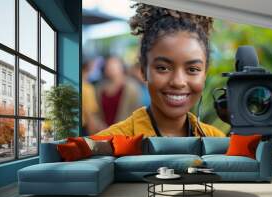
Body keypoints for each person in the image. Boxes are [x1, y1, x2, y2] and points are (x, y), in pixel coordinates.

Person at [96, 3, 225, 137]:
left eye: (192, 69)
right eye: (163, 68)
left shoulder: (217, 141)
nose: (178, 82)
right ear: (143, 70)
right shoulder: (106, 144)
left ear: (205, 73)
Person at [95, 56, 143, 130]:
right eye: (108, 65)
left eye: (114, 65)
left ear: (121, 67)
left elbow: (137, 111)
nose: (110, 68)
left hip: (125, 132)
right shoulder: (100, 88)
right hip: (104, 133)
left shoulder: (132, 87)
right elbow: (97, 112)